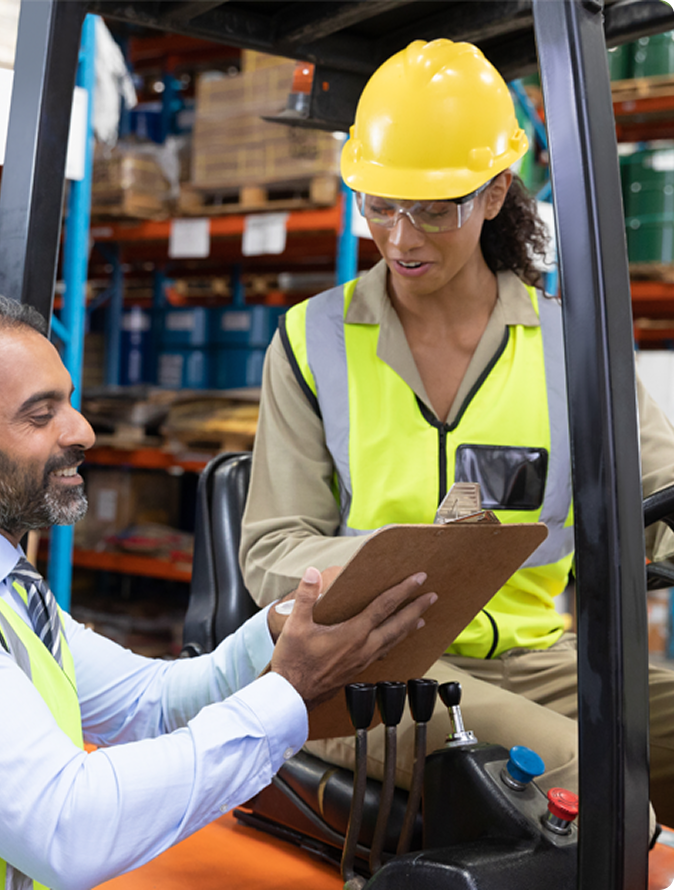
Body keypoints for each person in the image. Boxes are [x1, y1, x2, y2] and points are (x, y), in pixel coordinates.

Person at [240, 38, 674, 830]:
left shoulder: (570, 343)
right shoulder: (311, 340)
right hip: (374, 662)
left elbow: (660, 497)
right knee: (594, 783)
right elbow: (271, 550)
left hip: (539, 659)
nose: (400, 238)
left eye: (433, 210)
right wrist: (398, 562)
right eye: (378, 205)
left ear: (495, 192)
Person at [0, 293, 438, 890]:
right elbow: (68, 828)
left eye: (69, 402)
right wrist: (291, 688)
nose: (84, 431)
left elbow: (150, 702)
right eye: (41, 414)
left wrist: (280, 627)